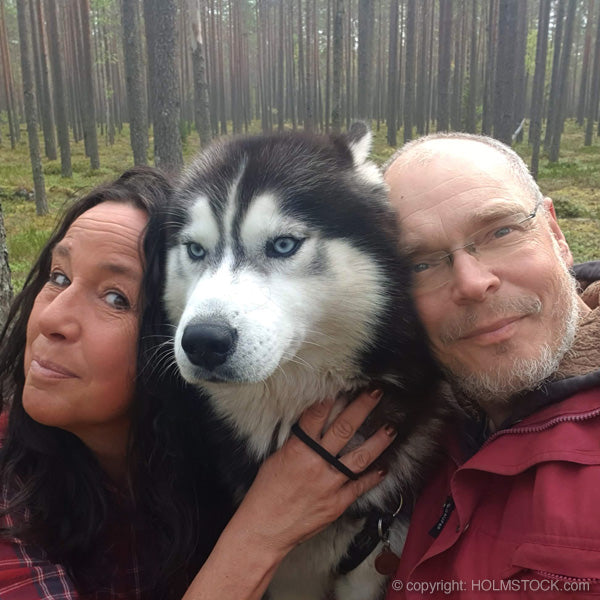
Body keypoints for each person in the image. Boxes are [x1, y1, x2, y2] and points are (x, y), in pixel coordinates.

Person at [0, 167, 396, 600]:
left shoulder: (214, 469)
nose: (51, 319)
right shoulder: (10, 492)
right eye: (59, 277)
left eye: (116, 297)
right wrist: (261, 531)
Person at [383, 133, 600, 599]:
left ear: (557, 234)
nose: (472, 282)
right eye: (420, 264)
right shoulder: (401, 431)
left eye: (501, 232)